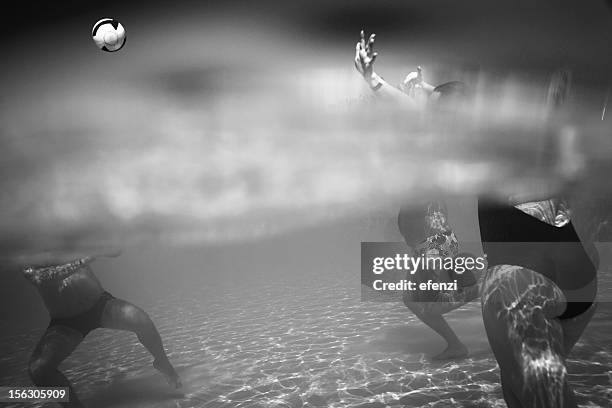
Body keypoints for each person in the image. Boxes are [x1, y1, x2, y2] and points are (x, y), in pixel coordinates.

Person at [355, 30, 598, 407]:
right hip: (578, 282)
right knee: (523, 387)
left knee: (535, 393)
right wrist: (405, 86)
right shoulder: (504, 134)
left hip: (523, 281)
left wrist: (376, 82)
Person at [354, 30, 480, 360]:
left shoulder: (436, 137)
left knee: (425, 298)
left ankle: (462, 337)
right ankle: (463, 333)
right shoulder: (438, 135)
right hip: (429, 237)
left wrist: (374, 80)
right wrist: (421, 85)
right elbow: (425, 104)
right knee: (430, 296)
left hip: (431, 238)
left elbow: (413, 109)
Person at [18, 249, 181, 408]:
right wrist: (89, 257)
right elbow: (42, 278)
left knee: (142, 321)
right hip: (66, 322)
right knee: (38, 370)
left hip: (100, 305)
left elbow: (112, 247)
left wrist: (108, 247)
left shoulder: (67, 238)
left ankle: (162, 361)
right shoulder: (27, 254)